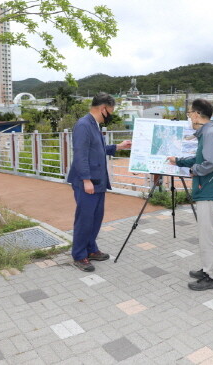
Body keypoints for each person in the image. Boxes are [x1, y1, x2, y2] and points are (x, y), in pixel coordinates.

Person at [67, 93, 132, 272]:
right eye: (111, 110)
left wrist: (118, 146)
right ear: (104, 108)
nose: (111, 114)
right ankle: (79, 255)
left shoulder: (94, 125)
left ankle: (91, 249)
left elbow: (98, 149)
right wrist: (86, 180)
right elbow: (80, 154)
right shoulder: (83, 125)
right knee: (85, 219)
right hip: (87, 182)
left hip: (99, 181)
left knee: (96, 218)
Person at [167, 99, 213, 290]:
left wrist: (194, 170)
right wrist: (179, 161)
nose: (189, 117)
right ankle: (207, 269)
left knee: (208, 236)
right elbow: (200, 158)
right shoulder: (208, 132)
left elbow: (211, 163)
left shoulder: (209, 133)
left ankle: (212, 277)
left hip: (209, 191)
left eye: (190, 113)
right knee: (206, 234)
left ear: (197, 114)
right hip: (207, 190)